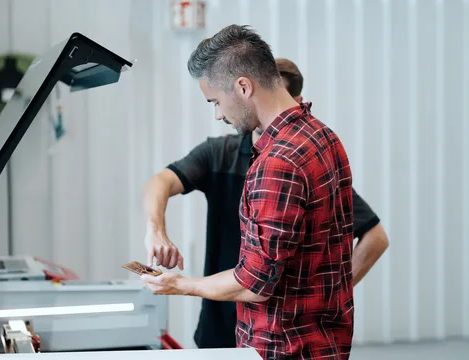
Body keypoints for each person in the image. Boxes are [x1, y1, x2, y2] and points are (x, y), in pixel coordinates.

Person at [142, 54, 389, 349]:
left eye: (217, 102)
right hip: (288, 336)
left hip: (280, 343)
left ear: (245, 88)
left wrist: (180, 285)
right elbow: (160, 181)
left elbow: (254, 283)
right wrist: (156, 229)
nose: (218, 115)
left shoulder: (278, 162)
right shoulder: (323, 139)